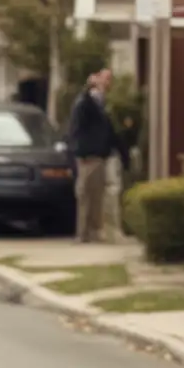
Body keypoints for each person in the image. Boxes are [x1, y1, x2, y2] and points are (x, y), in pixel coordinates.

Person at [66, 66, 128, 243]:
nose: (105, 85)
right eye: (103, 80)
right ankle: (84, 233)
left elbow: (111, 132)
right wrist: (88, 87)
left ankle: (95, 231)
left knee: (96, 196)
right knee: (85, 194)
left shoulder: (102, 107)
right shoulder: (85, 104)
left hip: (100, 155)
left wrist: (123, 155)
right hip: (87, 155)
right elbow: (80, 122)